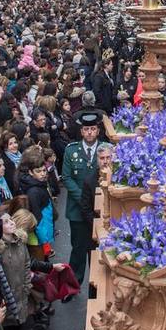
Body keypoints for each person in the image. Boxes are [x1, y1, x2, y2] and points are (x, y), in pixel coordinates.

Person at [62, 110, 104, 285]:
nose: (89, 133)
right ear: (81, 131)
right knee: (78, 249)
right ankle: (73, 285)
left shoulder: (105, 150)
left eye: (93, 129)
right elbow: (67, 178)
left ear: (98, 131)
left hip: (99, 208)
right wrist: (85, 198)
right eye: (86, 129)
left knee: (96, 250)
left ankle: (96, 284)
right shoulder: (71, 151)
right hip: (78, 210)